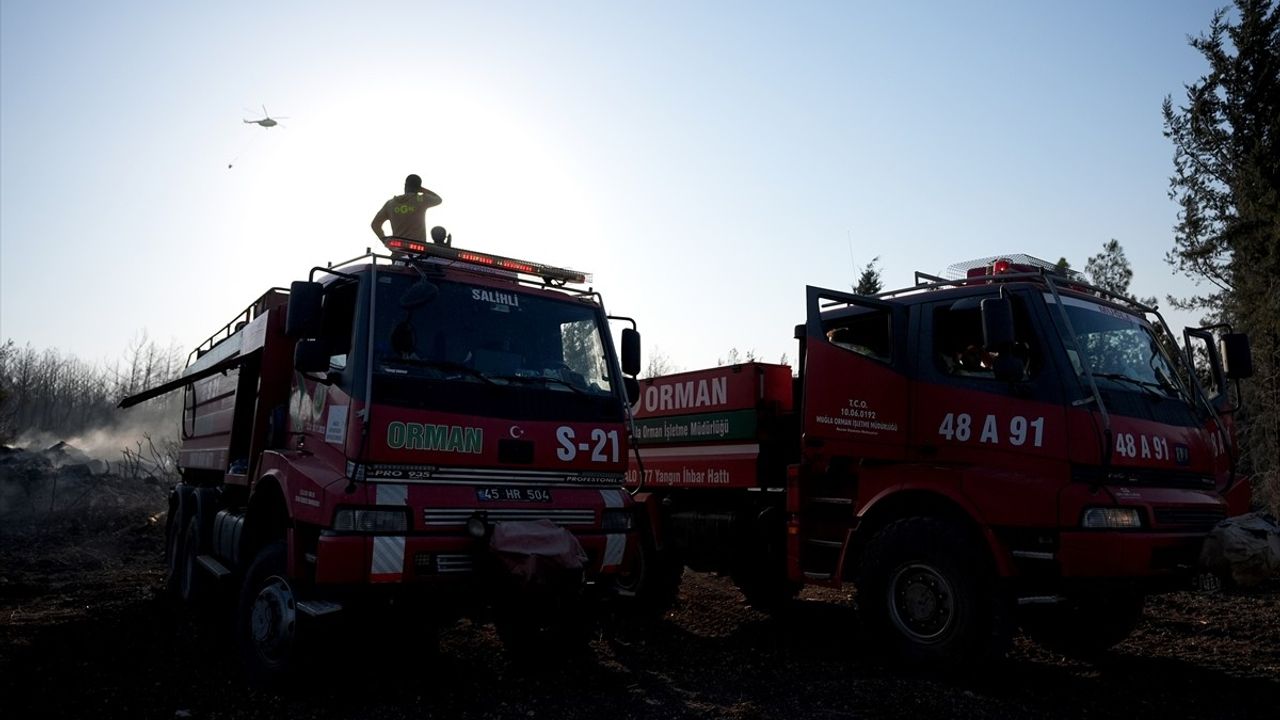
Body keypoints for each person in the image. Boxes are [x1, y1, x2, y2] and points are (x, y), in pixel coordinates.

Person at [371, 174, 443, 244]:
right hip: (418, 246)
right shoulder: (421, 199)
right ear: (419, 187)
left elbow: (375, 224)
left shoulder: (390, 204)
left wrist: (384, 240)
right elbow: (438, 199)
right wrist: (423, 189)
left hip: (398, 247)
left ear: (405, 185)